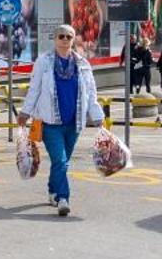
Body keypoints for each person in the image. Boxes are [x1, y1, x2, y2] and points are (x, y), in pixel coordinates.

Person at [19, 24, 107, 216]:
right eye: (61, 36)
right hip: (51, 123)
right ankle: (63, 198)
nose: (65, 40)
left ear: (74, 39)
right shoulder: (44, 62)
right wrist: (25, 112)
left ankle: (52, 189)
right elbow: (34, 89)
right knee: (60, 160)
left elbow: (91, 93)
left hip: (74, 123)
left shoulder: (83, 63)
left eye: (69, 37)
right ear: (54, 39)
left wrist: (98, 116)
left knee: (62, 162)